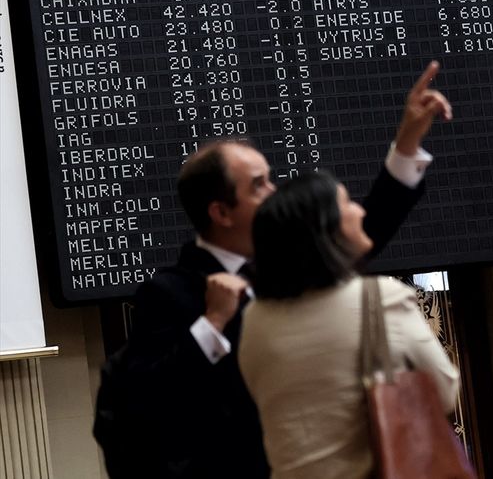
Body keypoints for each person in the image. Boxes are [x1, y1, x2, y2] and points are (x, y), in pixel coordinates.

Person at [106, 62, 452, 479]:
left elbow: (360, 229)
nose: (274, 191)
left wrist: (407, 143)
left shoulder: (287, 265)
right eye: (258, 184)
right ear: (221, 212)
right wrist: (212, 323)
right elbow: (146, 401)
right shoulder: (169, 293)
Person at [238, 171, 461, 479]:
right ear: (324, 231)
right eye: (346, 204)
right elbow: (444, 391)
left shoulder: (254, 318)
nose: (359, 211)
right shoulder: (380, 297)